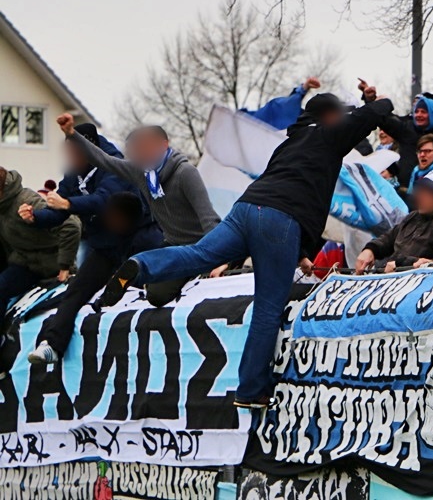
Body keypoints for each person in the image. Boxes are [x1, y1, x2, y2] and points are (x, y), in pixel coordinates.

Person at [97, 92, 395, 408]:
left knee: (198, 254)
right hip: (279, 219)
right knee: (268, 305)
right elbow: (367, 116)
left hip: (247, 209)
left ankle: (140, 266)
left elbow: (296, 188)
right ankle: (251, 389)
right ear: (331, 117)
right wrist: (385, 103)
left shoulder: (291, 142)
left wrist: (301, 253)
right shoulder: (329, 133)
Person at [57, 114, 221, 307]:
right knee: (147, 280)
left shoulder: (185, 173)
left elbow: (209, 218)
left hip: (198, 246)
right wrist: (72, 134)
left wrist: (218, 257)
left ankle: (195, 270)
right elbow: (104, 160)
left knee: (154, 280)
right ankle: (115, 291)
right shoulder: (141, 173)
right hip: (171, 245)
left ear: (163, 145)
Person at [27, 192, 163, 365]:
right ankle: (52, 344)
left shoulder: (149, 238)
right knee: (75, 290)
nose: (111, 222)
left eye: (116, 219)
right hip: (108, 251)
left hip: (136, 270)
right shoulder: (107, 233)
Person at [0, 168, 81, 303]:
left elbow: (71, 225)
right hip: (24, 265)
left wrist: (65, 265)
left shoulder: (26, 201)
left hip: (52, 265)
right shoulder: (2, 208)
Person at [355, 170, 433, 273]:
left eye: (428, 193)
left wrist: (401, 263)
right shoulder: (413, 216)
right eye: (420, 191)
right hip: (386, 278)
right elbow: (388, 238)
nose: (420, 196)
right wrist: (370, 249)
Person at [380, 93, 433, 192]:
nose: (419, 115)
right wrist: (371, 100)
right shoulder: (406, 129)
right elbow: (385, 121)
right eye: (416, 111)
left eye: (423, 112)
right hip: (406, 190)